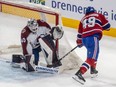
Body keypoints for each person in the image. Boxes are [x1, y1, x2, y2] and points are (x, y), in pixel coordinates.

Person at [72, 6, 111, 84]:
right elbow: (108, 27)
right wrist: (100, 27)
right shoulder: (98, 15)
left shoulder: (83, 19)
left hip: (84, 39)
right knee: (92, 57)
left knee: (92, 53)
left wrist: (79, 42)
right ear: (94, 11)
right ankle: (79, 73)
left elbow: (80, 32)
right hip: (93, 38)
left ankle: (93, 70)